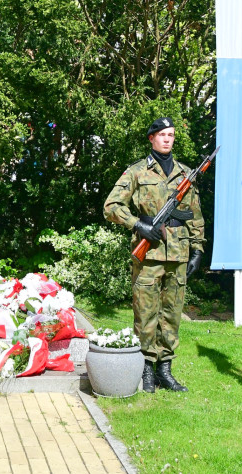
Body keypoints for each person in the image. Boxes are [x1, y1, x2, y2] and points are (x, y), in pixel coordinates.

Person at [103, 117, 204, 393]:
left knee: (172, 314)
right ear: (151, 138)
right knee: (146, 315)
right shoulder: (137, 171)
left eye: (171, 135)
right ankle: (146, 369)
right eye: (162, 135)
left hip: (178, 253)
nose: (167, 139)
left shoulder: (185, 173)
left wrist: (197, 248)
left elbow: (194, 214)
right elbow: (111, 205)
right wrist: (138, 225)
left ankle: (165, 370)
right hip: (149, 254)